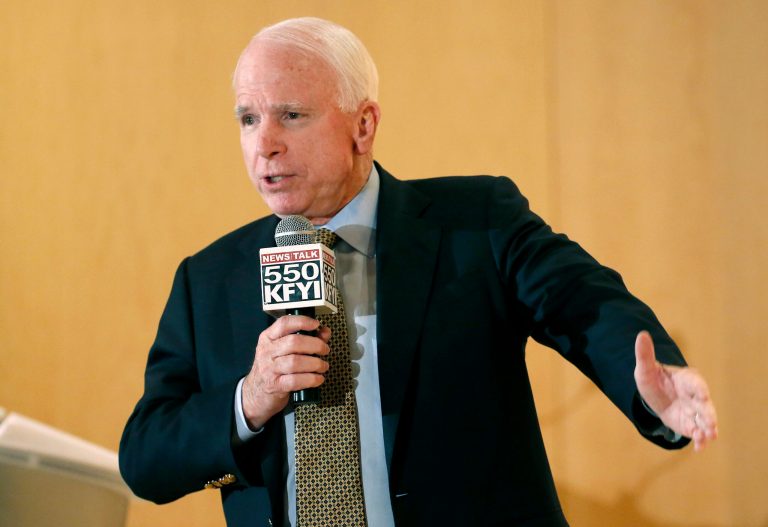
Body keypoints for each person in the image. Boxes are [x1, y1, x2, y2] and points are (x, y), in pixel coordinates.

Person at [119, 17, 718, 527]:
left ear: (363, 124)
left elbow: (584, 302)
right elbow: (146, 457)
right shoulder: (209, 278)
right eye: (247, 118)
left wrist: (654, 384)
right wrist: (249, 400)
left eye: (292, 115)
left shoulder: (475, 223)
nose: (264, 144)